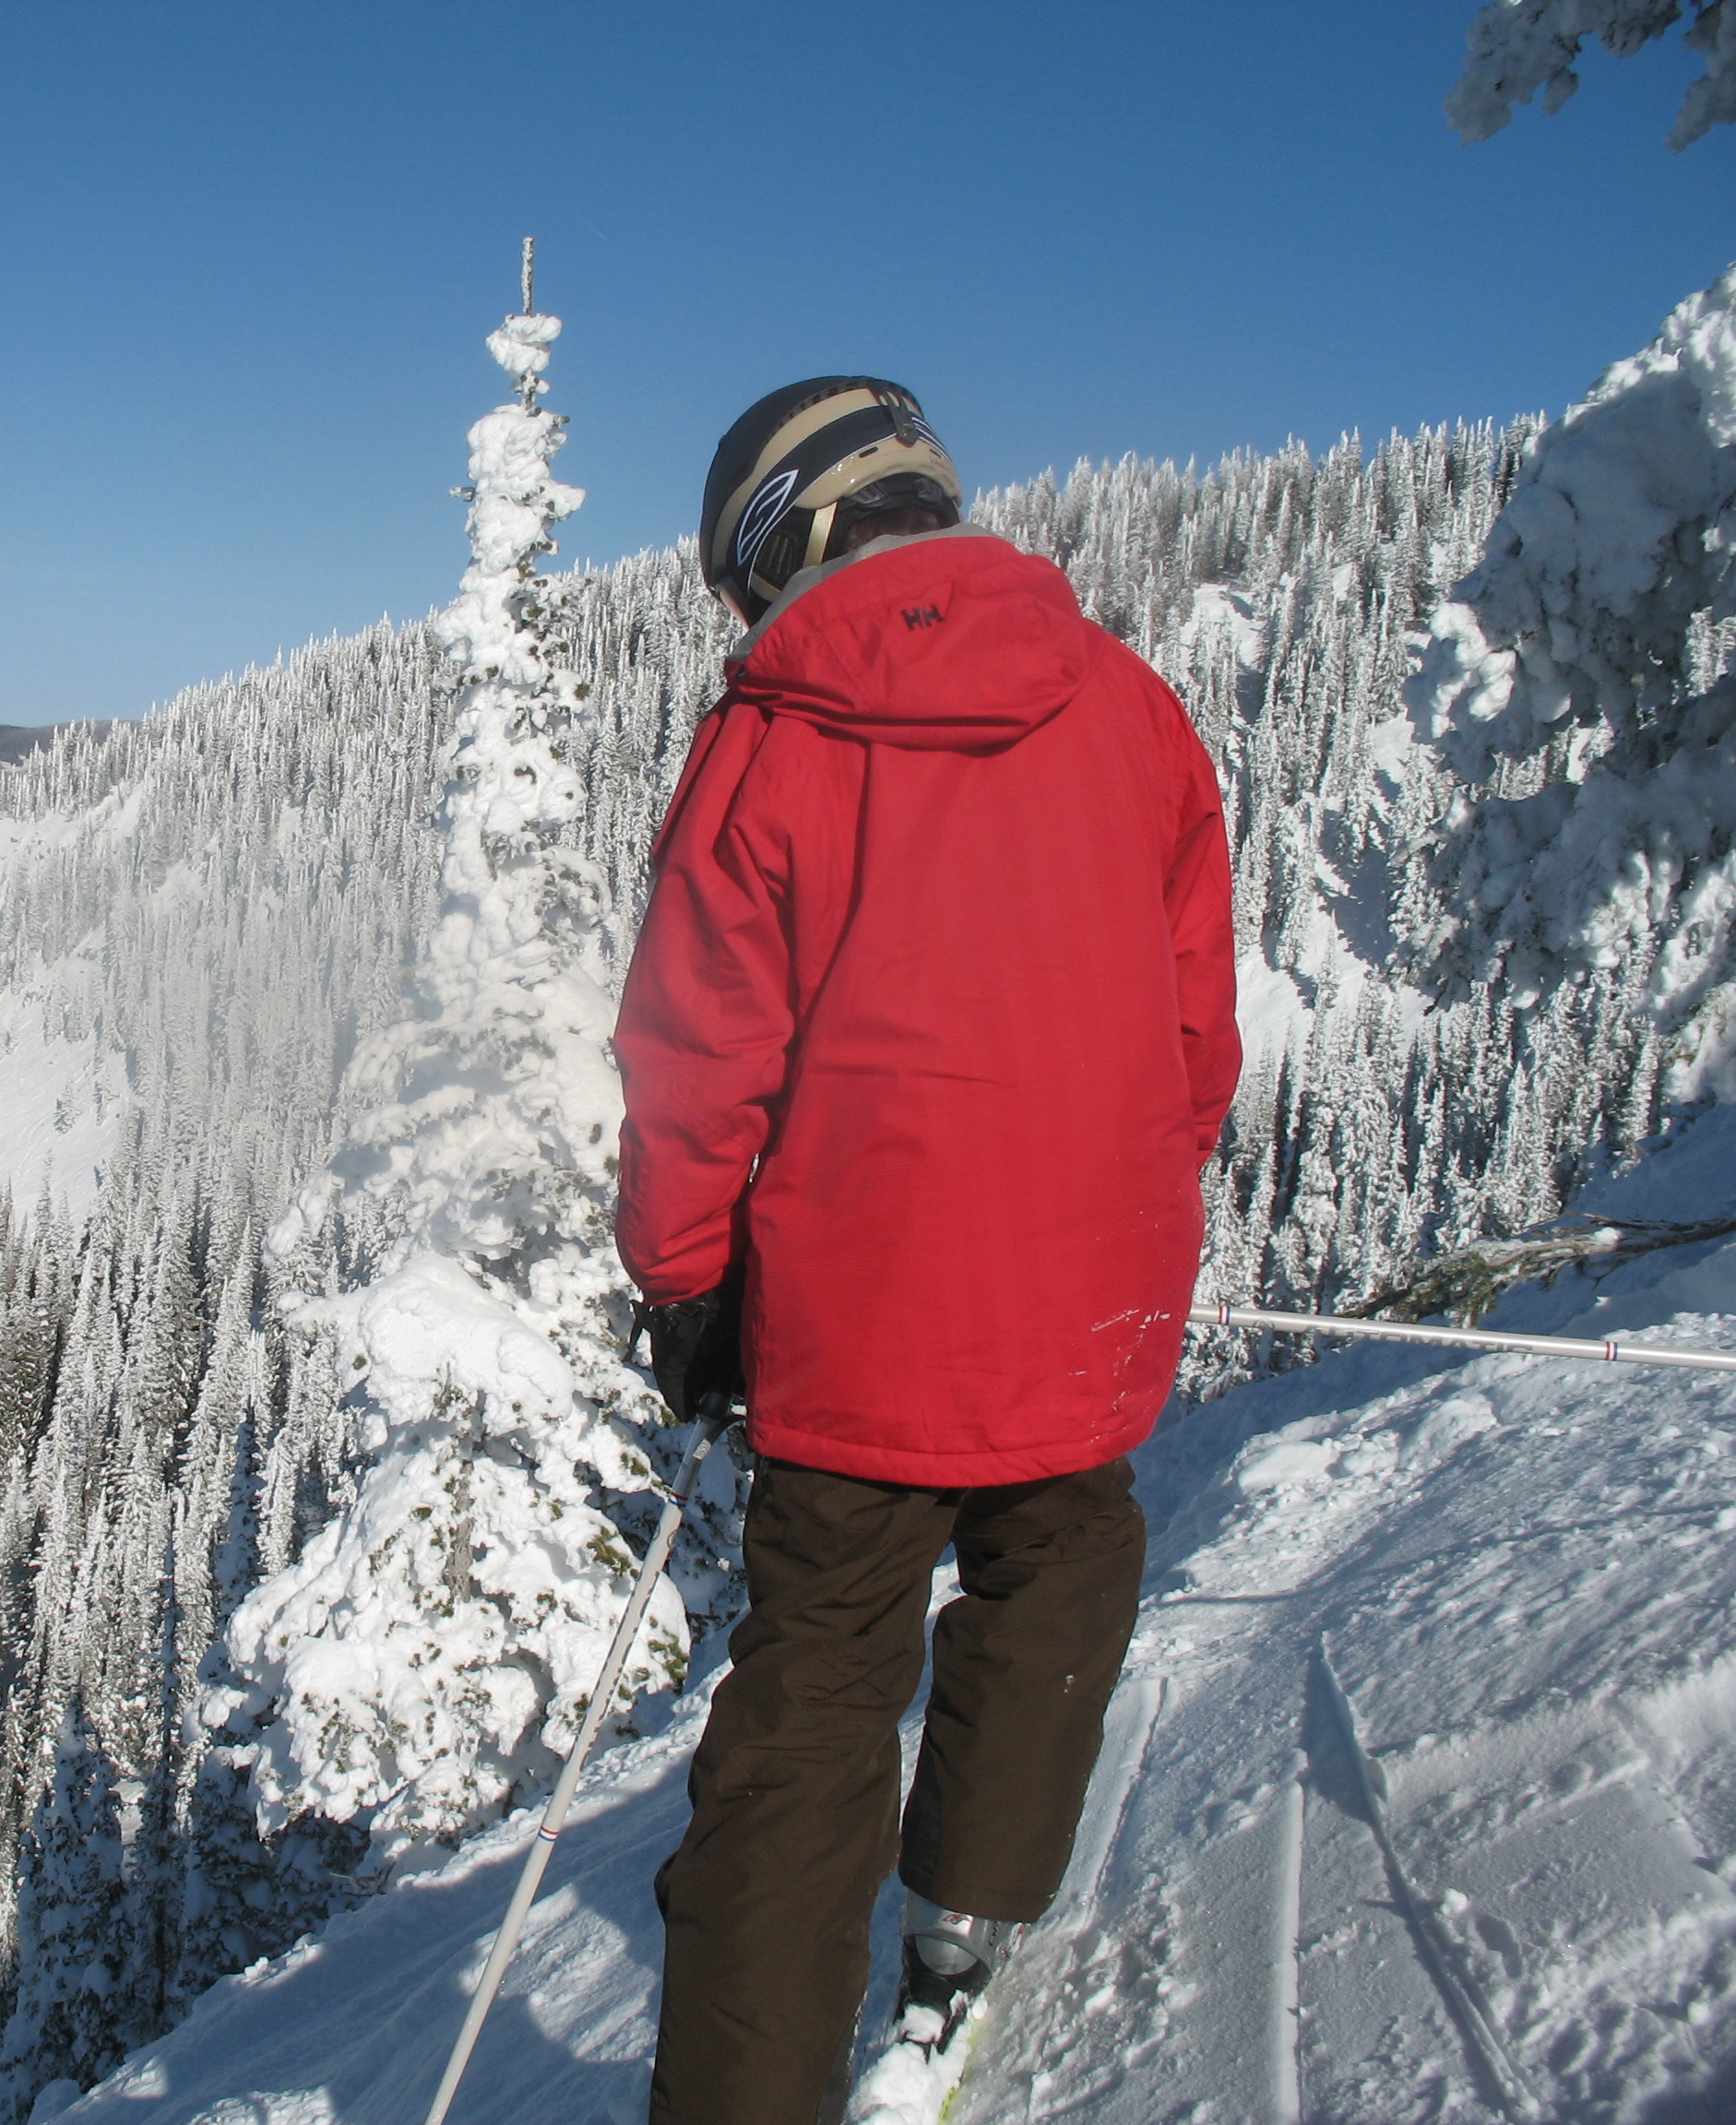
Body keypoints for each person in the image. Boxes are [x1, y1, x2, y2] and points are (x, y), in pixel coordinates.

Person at [614, 377, 1240, 2124]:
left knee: (812, 1712)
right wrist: (1121, 1209)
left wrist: (685, 1282)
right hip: (1087, 1306)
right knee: (1059, 1574)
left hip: (861, 1332)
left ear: (782, 542)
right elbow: (1197, 1035)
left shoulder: (776, 735)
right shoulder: (1133, 710)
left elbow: (693, 1054)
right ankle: (961, 1931)